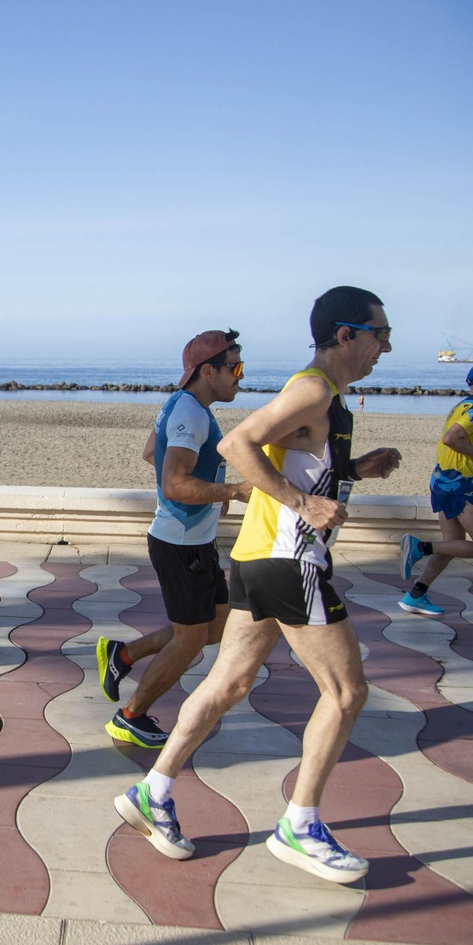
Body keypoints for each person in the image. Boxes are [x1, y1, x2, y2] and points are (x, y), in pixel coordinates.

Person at [113, 286, 402, 885]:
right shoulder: (314, 387)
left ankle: (154, 792)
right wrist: (302, 503)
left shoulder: (324, 396)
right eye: (380, 333)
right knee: (346, 693)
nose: (387, 345)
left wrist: (353, 467)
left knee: (229, 681)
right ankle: (300, 825)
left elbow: (296, 455)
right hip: (289, 561)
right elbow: (235, 444)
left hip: (256, 557)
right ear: (345, 335)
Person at [97, 330, 253, 748]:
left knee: (214, 626)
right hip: (180, 544)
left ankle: (123, 655)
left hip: (191, 541)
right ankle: (130, 717)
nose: (241, 375)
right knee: (190, 643)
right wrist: (232, 490)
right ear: (208, 370)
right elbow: (174, 484)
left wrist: (209, 485)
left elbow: (153, 451)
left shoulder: (183, 404)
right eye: (234, 367)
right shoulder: (194, 413)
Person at [398, 364, 473, 616]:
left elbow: (459, 438)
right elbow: (451, 439)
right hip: (459, 485)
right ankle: (420, 548)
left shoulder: (464, 405)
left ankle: (416, 595)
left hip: (442, 481)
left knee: (453, 544)